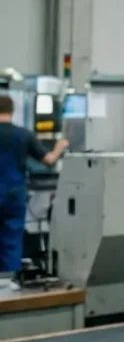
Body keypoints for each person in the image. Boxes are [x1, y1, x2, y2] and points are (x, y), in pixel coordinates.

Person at [0, 94, 67, 276]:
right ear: (12, 111)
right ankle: (8, 286)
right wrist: (59, 147)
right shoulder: (24, 135)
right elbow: (49, 160)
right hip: (14, 195)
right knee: (12, 240)